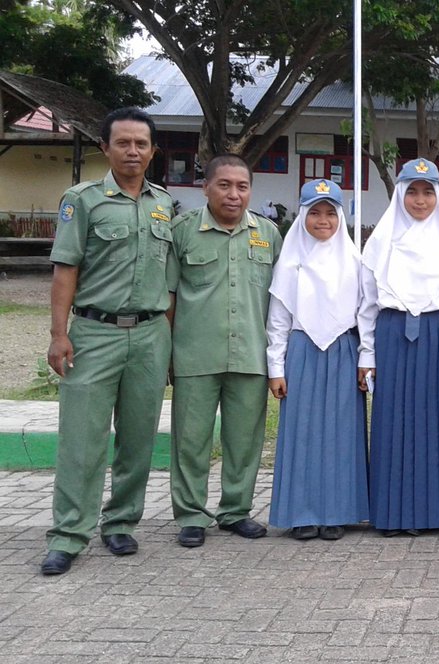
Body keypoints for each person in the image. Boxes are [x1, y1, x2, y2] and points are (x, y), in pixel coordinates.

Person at [40, 107, 175, 576]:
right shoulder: (83, 200)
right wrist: (59, 335)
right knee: (82, 439)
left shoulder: (163, 205)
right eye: (123, 143)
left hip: (151, 333)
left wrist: (171, 342)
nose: (133, 151)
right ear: (105, 148)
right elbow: (65, 269)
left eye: (142, 144)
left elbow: (170, 279)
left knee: (138, 438)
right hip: (94, 333)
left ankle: (121, 523)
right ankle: (68, 535)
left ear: (153, 151)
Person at [169, 154, 283, 548]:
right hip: (194, 356)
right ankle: (191, 515)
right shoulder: (182, 231)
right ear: (206, 187)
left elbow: (281, 302)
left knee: (244, 441)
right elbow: (169, 298)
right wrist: (167, 354)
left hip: (251, 355)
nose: (233, 194)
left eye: (242, 186)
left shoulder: (268, 234)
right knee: (190, 441)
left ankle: (235, 510)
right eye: (224, 185)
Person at [359, 158, 439, 536]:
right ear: (401, 194)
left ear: (437, 196)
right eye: (412, 192)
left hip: (437, 336)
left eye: (427, 192)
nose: (420, 201)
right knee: (392, 423)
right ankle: (390, 514)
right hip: (393, 334)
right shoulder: (380, 242)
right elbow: (368, 305)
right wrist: (367, 355)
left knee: (436, 424)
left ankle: (433, 513)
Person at [266, 179, 368, 541]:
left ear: (340, 216)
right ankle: (302, 513)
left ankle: (336, 511)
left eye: (330, 213)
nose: (322, 221)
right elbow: (278, 320)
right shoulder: (290, 261)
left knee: (341, 433)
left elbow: (365, 314)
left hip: (343, 350)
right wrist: (275, 368)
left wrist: (365, 359)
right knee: (303, 432)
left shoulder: (354, 261)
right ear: (303, 216)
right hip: (302, 351)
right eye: (314, 213)